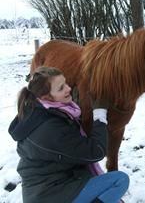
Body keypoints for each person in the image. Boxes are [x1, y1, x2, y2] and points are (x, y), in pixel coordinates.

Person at [8, 66, 129, 203]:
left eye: (65, 83)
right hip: (48, 194)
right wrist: (99, 114)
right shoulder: (50, 129)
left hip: (49, 183)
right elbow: (96, 151)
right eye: (61, 88)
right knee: (120, 180)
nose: (68, 88)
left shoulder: (38, 111)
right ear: (46, 97)